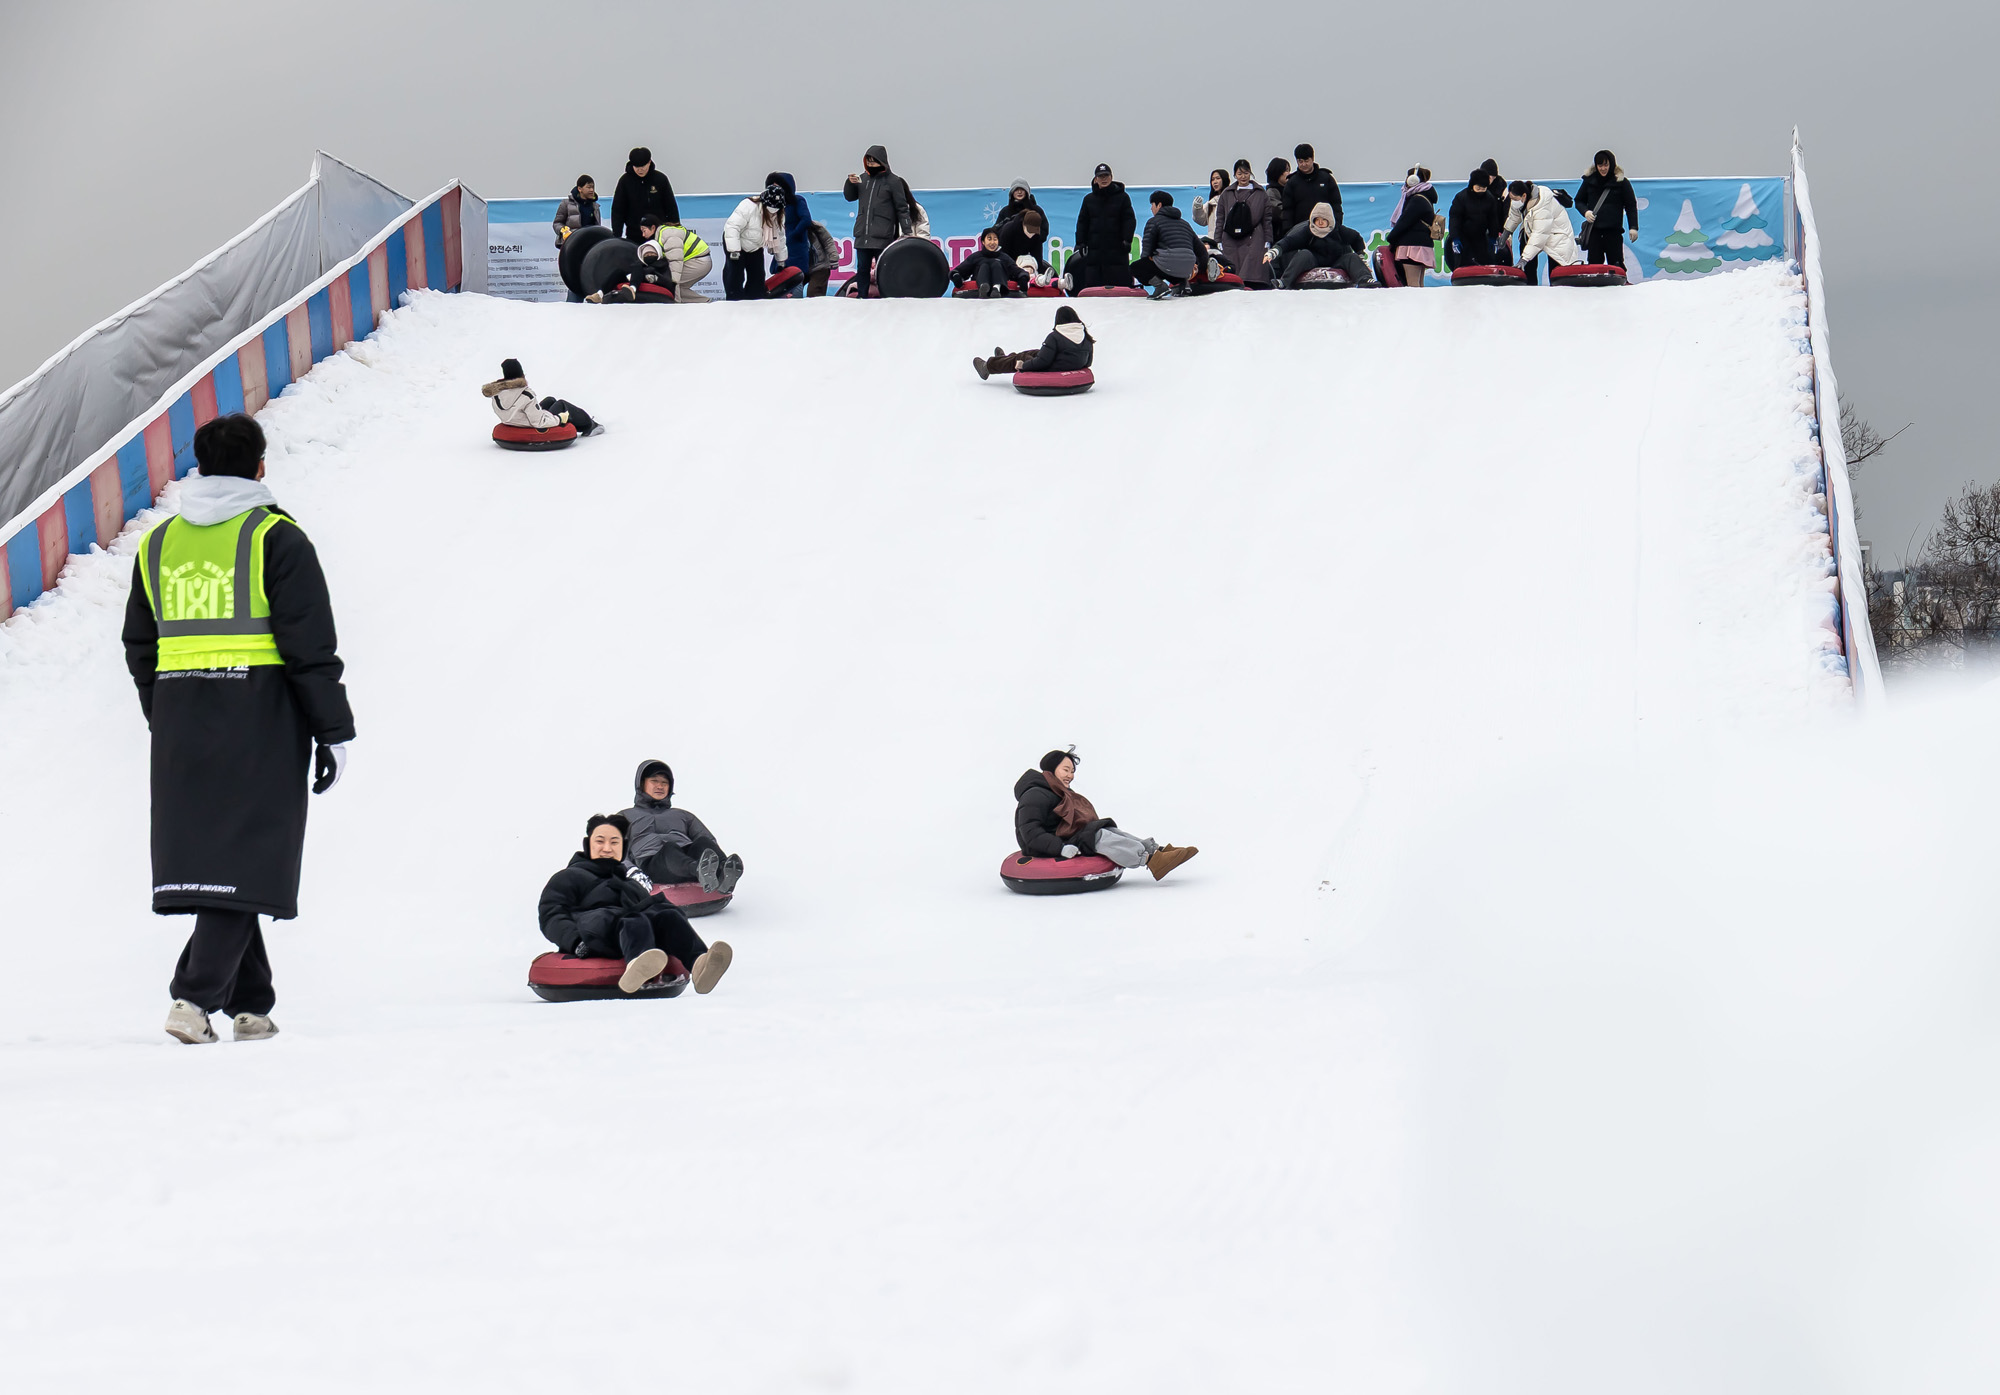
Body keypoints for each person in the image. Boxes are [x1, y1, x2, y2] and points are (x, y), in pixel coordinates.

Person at [122, 414, 355, 1045]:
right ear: (259, 465)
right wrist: (329, 729)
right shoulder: (276, 538)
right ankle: (192, 999)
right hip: (260, 715)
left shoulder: (160, 542)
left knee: (222, 856)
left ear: (197, 465)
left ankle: (250, 1004)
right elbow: (309, 644)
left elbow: (139, 644)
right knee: (248, 852)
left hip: (180, 718)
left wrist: (162, 711)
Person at [538, 814, 733, 995]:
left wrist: (667, 914)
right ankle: (636, 965)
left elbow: (654, 910)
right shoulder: (569, 877)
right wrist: (575, 942)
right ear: (588, 845)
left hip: (631, 933)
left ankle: (699, 964)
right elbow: (551, 914)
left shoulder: (629, 884)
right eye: (600, 841)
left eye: (614, 842)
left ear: (622, 848)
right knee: (635, 918)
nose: (607, 848)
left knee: (669, 915)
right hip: (594, 933)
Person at [1012, 749, 1196, 881]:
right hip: (1045, 845)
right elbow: (1029, 831)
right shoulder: (1035, 794)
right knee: (1096, 835)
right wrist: (1059, 848)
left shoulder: (1057, 791)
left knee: (1105, 828)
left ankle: (1154, 850)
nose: (1071, 776)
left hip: (1063, 837)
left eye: (1073, 771)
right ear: (1050, 771)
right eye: (1066, 770)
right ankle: (1151, 861)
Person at [619, 759, 744, 894]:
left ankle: (724, 872)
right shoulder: (625, 816)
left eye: (664, 783)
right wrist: (631, 870)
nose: (660, 786)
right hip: (653, 863)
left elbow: (707, 839)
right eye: (654, 781)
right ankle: (699, 870)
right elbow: (616, 849)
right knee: (670, 848)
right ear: (642, 784)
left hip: (686, 858)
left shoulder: (683, 815)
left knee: (703, 842)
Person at [842, 145, 913, 300]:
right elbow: (849, 196)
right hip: (862, 234)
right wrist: (849, 183)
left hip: (883, 235)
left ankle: (886, 298)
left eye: (874, 162)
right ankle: (861, 298)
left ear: (883, 162)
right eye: (869, 161)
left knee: (884, 270)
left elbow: (902, 208)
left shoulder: (893, 181)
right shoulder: (862, 179)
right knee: (862, 270)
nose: (872, 165)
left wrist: (907, 231)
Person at [482, 358, 600, 436]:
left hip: (516, 419)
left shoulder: (497, 394)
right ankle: (589, 425)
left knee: (550, 400)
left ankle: (585, 422)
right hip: (529, 423)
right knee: (562, 404)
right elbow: (539, 423)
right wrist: (560, 418)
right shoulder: (526, 395)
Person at [1067, 163, 1137, 293]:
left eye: (1106, 176)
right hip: (1094, 252)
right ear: (1095, 179)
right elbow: (1082, 222)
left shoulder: (1123, 197)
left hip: (1117, 250)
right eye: (1100, 176)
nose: (1103, 179)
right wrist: (1080, 242)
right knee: (1094, 290)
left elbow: (1129, 220)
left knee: (1121, 290)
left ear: (1111, 177)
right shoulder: (1088, 199)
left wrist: (1127, 240)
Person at [1267, 202, 1373, 287]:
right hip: (1314, 260)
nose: (1320, 223)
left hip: (1337, 261)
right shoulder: (1308, 231)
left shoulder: (1339, 230)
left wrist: (1360, 255)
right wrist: (1275, 250)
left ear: (1330, 220)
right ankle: (1284, 282)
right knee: (1304, 254)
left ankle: (1365, 279)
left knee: (1351, 257)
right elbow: (1290, 241)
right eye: (1317, 220)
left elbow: (1356, 238)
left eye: (1324, 220)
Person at [972, 304, 1093, 379]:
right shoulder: (1086, 337)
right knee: (1036, 352)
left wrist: (1023, 365)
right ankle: (1003, 359)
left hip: (1052, 369)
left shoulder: (1055, 337)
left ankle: (987, 366)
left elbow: (1042, 363)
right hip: (1063, 365)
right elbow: (1088, 363)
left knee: (1021, 358)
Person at [1504, 180, 1581, 284]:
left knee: (1556, 273)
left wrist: (1524, 259)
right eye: (1511, 198)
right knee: (1528, 266)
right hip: (1536, 232)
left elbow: (1539, 235)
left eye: (1515, 199)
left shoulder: (1542, 206)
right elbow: (1514, 217)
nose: (1513, 201)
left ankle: (1557, 295)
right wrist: (1506, 233)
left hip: (1557, 237)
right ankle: (1531, 290)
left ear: (1524, 195)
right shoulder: (1519, 203)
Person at [722, 181, 787, 301]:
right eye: (770, 208)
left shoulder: (779, 216)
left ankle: (755, 301)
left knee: (758, 276)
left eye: (776, 208)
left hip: (755, 246)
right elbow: (732, 227)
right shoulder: (748, 206)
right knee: (735, 274)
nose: (773, 211)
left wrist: (781, 261)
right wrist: (734, 251)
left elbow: (780, 237)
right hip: (736, 241)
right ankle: (734, 300)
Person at [1574, 150, 1640, 267]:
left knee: (1617, 265)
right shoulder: (1589, 181)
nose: (1603, 168)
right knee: (1594, 266)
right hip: (1594, 231)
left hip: (1613, 231)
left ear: (1612, 164)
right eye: (1600, 165)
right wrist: (1586, 212)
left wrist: (1633, 227)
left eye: (1606, 165)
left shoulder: (1622, 182)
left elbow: (1630, 206)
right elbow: (1578, 200)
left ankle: (1621, 284)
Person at [630, 211, 713, 303]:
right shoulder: (662, 235)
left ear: (653, 228)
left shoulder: (668, 234)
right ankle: (705, 303)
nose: (643, 235)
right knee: (677, 287)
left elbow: (675, 264)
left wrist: (675, 300)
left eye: (644, 230)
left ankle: (702, 303)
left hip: (699, 261)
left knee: (671, 283)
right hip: (698, 260)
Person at [1214, 160, 1273, 285]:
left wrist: (1268, 239)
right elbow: (1220, 218)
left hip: (1255, 235)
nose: (1243, 177)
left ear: (1250, 173)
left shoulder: (1260, 193)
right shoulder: (1227, 193)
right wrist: (1218, 240)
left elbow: (1266, 218)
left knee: (1252, 270)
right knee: (1233, 270)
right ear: (1235, 175)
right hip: (1230, 236)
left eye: (1246, 173)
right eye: (1240, 173)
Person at [1133, 191, 1201, 295]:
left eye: (1152, 205)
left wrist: (1145, 265)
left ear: (1159, 205)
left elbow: (1147, 247)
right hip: (1187, 268)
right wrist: (1202, 267)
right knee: (1170, 264)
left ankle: (1160, 287)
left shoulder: (1153, 221)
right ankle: (1184, 285)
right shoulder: (1185, 223)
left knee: (1136, 267)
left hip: (1168, 263)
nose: (1151, 208)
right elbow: (1199, 248)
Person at [611, 147, 680, 243]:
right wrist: (616, 235)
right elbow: (618, 210)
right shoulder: (625, 181)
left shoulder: (660, 179)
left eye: (643, 166)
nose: (640, 170)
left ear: (649, 162)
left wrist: (675, 230)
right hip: (634, 234)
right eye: (636, 167)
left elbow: (670, 206)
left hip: (659, 234)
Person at [1385, 165, 1439, 287]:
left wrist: (1391, 239)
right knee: (1419, 284)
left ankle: (1414, 306)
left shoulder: (1416, 200)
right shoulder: (1426, 197)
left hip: (1412, 246)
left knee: (1412, 285)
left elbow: (1404, 222)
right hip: (1421, 245)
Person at [1446, 168, 1507, 269]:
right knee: (1464, 262)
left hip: (1481, 237)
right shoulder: (1461, 197)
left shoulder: (1489, 198)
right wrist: (1455, 238)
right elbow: (1454, 219)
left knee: (1484, 262)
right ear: (1472, 185)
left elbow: (1493, 219)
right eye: (1478, 188)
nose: (1481, 191)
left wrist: (1493, 237)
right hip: (1464, 237)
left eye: (1484, 189)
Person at [767, 172, 815, 294]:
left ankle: (796, 310)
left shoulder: (798, 201)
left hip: (797, 249)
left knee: (796, 281)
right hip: (781, 249)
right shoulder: (775, 205)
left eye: (778, 186)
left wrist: (793, 235)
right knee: (781, 283)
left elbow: (806, 220)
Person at [1282, 143, 1343, 234]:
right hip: (1301, 231)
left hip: (1326, 230)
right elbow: (1288, 210)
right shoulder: (1292, 182)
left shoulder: (1326, 178)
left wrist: (1336, 226)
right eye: (1300, 161)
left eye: (1306, 161)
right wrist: (1289, 231)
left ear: (1312, 159)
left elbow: (1336, 204)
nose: (1303, 164)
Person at [951, 227, 1022, 298]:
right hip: (979, 290)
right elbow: (960, 270)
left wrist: (1023, 277)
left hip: (1000, 291)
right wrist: (956, 275)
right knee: (984, 266)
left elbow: (1016, 270)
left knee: (996, 264)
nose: (992, 242)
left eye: (995, 239)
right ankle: (984, 287)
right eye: (989, 239)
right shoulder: (976, 256)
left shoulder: (1004, 257)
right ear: (983, 242)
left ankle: (996, 288)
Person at [996, 208, 1053, 285]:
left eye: (1034, 231)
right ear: (1023, 224)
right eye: (1030, 230)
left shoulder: (1036, 236)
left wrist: (1040, 271)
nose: (1031, 234)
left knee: (1030, 264)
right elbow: (1003, 255)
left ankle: (1040, 280)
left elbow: (1038, 257)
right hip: (1008, 259)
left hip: (1022, 260)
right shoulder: (1008, 230)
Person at [552, 176, 600, 245]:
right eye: (589, 187)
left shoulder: (595, 206)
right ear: (580, 189)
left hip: (590, 244)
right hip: (571, 244)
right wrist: (564, 231)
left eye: (593, 187)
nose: (592, 190)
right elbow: (557, 223)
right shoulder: (566, 204)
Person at [1190, 168, 1229, 240]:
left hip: (1230, 242)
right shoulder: (1212, 203)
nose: (1215, 182)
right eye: (1213, 179)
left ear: (1225, 180)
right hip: (1214, 241)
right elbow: (1201, 220)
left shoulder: (1232, 199)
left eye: (1218, 178)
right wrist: (1197, 207)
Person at [806, 220, 841, 297]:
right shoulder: (786, 227)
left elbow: (828, 241)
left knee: (813, 294)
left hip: (820, 266)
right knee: (793, 293)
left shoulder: (815, 226)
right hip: (801, 267)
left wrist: (834, 258)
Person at [1265, 157, 1293, 243]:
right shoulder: (1272, 192)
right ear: (1277, 172)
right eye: (1286, 170)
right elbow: (1279, 213)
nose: (1288, 174)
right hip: (1278, 236)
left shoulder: (1289, 189)